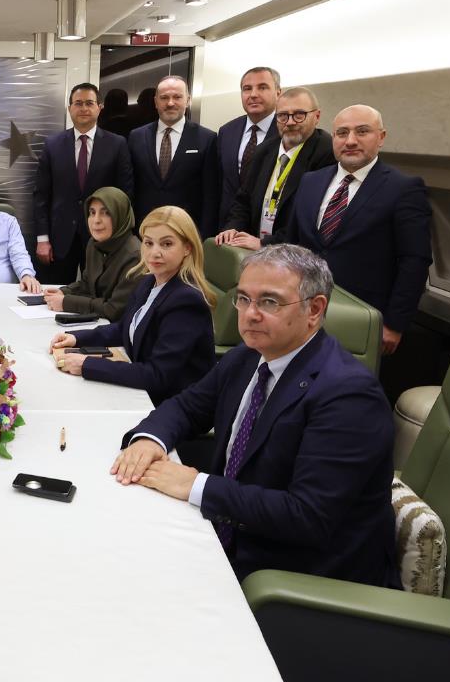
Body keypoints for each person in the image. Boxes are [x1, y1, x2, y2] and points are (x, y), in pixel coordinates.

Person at [110, 244, 398, 588]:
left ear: (314, 309)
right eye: (244, 299)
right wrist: (149, 440)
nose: (249, 314)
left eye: (269, 302)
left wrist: (195, 485)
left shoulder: (349, 395)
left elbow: (307, 516)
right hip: (229, 532)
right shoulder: (246, 357)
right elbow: (187, 406)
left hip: (293, 576)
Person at [286, 104, 433, 354]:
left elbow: (415, 261)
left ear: (381, 137)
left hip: (362, 318)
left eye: (362, 131)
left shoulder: (404, 188)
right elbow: (292, 244)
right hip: (302, 310)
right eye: (342, 133)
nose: (351, 141)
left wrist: (394, 324)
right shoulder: (310, 181)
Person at [50, 205, 214, 402]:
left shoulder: (186, 301)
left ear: (187, 248)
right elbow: (125, 329)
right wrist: (77, 338)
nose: (154, 252)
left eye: (166, 244)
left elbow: (157, 375)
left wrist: (87, 365)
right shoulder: (149, 281)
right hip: (143, 391)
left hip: (171, 403)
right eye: (148, 243)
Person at [33, 83, 133, 285]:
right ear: (69, 108)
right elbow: (41, 195)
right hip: (59, 239)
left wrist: (119, 238)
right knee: (55, 292)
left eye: (89, 103)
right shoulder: (52, 145)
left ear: (99, 107)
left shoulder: (117, 144)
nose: (84, 108)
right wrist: (42, 239)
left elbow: (125, 194)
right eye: (78, 103)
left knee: (99, 292)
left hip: (102, 238)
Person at [215, 86, 335, 250]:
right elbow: (244, 199)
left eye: (299, 115)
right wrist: (233, 227)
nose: (290, 122)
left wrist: (265, 243)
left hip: (295, 252)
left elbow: (311, 217)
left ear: (317, 116)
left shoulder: (327, 152)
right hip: (257, 250)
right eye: (283, 116)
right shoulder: (264, 149)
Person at [128, 75, 219, 238]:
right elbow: (131, 186)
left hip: (186, 232)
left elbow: (211, 195)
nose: (170, 103)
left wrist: (204, 237)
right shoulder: (136, 137)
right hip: (144, 230)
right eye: (164, 98)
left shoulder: (207, 138)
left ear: (188, 100)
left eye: (177, 97)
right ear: (156, 102)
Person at [42, 187, 140, 321]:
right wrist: (64, 292)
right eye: (92, 212)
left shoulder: (135, 256)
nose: (96, 220)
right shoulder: (94, 244)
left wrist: (66, 303)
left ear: (120, 215)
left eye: (106, 213)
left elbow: (114, 310)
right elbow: (87, 284)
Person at [215, 67, 281, 229]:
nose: (253, 94)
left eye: (262, 87)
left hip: (268, 228)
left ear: (278, 93)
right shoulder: (227, 131)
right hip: (227, 228)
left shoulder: (286, 132)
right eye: (247, 89)